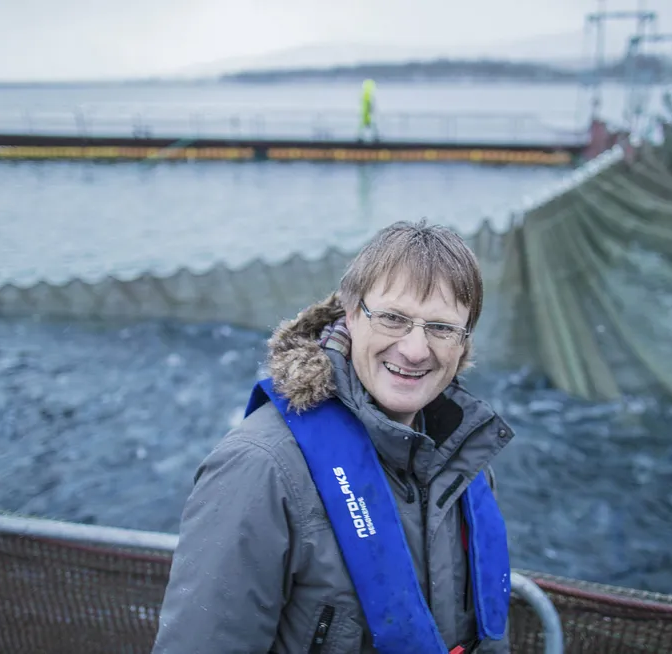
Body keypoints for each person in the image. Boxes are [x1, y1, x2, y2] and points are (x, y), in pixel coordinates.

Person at [153, 220, 516, 654]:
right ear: (349, 313)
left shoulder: (464, 463)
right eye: (393, 319)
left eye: (441, 328)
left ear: (464, 342)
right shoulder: (259, 468)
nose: (415, 349)